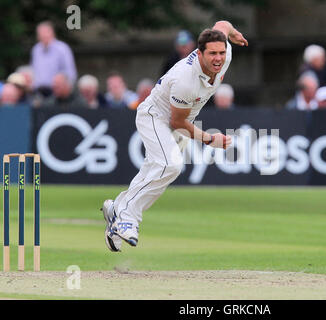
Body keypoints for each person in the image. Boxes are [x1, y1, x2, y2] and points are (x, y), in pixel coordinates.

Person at [101, 20, 248, 252]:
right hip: (154, 116)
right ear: (200, 53)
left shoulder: (224, 51)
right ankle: (126, 217)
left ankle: (117, 209)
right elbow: (178, 123)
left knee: (155, 170)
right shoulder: (186, 80)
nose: (218, 58)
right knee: (170, 165)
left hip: (174, 117)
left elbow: (222, 24)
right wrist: (210, 140)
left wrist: (234, 33)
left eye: (221, 52)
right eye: (212, 54)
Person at [31, 21, 77, 97]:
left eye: (45, 32)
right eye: (40, 33)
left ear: (52, 33)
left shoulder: (62, 49)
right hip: (38, 92)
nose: (43, 35)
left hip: (56, 93)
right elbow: (33, 70)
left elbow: (70, 73)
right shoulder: (36, 49)